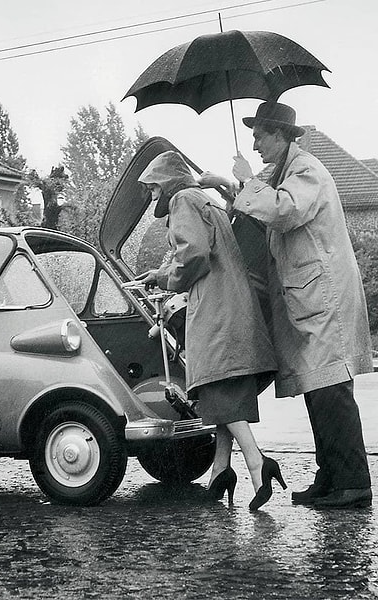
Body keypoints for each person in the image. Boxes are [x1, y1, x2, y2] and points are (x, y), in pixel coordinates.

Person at [199, 101, 373, 509]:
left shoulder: (306, 169)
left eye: (260, 134)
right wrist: (231, 186)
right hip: (311, 297)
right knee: (319, 388)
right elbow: (265, 217)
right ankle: (331, 477)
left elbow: (284, 209)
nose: (255, 142)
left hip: (323, 297)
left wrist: (245, 180)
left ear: (281, 135)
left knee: (331, 389)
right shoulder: (284, 173)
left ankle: (352, 483)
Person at [135, 150, 283, 511]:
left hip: (214, 306)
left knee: (215, 387)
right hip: (233, 302)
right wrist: (159, 273)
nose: (152, 196)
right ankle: (221, 471)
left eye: (154, 188)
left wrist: (168, 280)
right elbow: (205, 248)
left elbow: (195, 254)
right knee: (222, 388)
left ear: (167, 183)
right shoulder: (207, 200)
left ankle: (257, 462)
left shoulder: (183, 199)